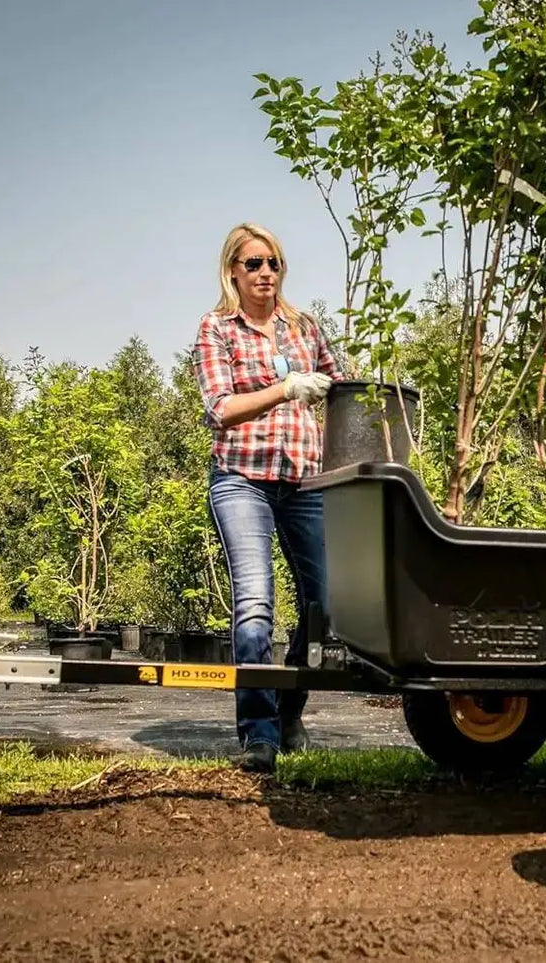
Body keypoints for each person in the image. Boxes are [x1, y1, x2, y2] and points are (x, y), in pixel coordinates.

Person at [192, 222, 342, 773]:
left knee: (323, 605)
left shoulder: (303, 327)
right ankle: (257, 733)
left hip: (304, 482)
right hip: (242, 479)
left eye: (273, 263)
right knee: (256, 606)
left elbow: (340, 389)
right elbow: (220, 408)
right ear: (233, 270)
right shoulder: (217, 328)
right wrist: (286, 388)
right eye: (253, 263)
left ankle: (288, 713)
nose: (264, 273)